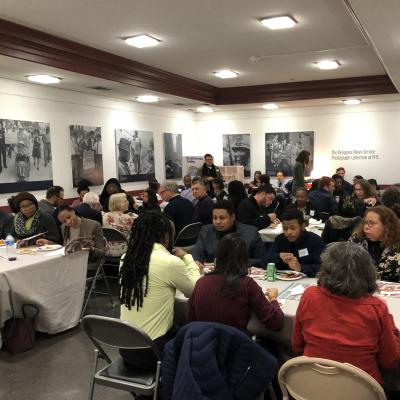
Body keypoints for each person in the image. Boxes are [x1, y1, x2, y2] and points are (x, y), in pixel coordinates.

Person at [292, 242, 400, 384]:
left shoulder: (310, 295)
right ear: (367, 273)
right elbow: (390, 361)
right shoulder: (375, 308)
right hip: (361, 389)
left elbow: (297, 346)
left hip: (311, 385)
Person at [119, 212, 200, 368]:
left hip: (127, 346)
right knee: (197, 332)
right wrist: (188, 258)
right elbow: (194, 291)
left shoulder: (126, 258)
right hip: (153, 351)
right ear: (165, 236)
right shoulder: (170, 262)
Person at [188, 233, 284, 335]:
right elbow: (275, 323)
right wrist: (273, 299)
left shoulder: (201, 283)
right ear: (244, 258)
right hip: (235, 347)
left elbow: (190, 321)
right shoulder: (247, 284)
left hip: (202, 345)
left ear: (218, 256)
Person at [193, 200, 265, 267]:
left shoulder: (251, 232)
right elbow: (197, 254)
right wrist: (197, 262)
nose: (217, 222)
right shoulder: (206, 231)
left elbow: (262, 259)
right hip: (214, 274)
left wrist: (236, 263)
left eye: (222, 218)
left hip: (242, 274)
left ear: (233, 217)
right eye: (215, 218)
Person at [265, 208, 325, 277]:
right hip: (283, 281)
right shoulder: (280, 239)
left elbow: (324, 269)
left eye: (293, 228)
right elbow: (264, 261)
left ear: (303, 226)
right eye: (285, 228)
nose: (288, 232)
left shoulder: (315, 240)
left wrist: (301, 268)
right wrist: (278, 256)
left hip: (307, 281)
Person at [37, 205, 104, 263]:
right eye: (64, 221)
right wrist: (49, 243)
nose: (68, 222)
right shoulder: (64, 227)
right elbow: (65, 248)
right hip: (69, 261)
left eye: (69, 217)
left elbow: (102, 253)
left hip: (87, 262)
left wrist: (91, 249)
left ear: (73, 211)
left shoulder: (94, 225)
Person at [350, 206, 400, 282]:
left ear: (387, 225)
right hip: (359, 288)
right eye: (365, 223)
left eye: (371, 223)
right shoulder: (357, 239)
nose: (366, 227)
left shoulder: (397, 243)